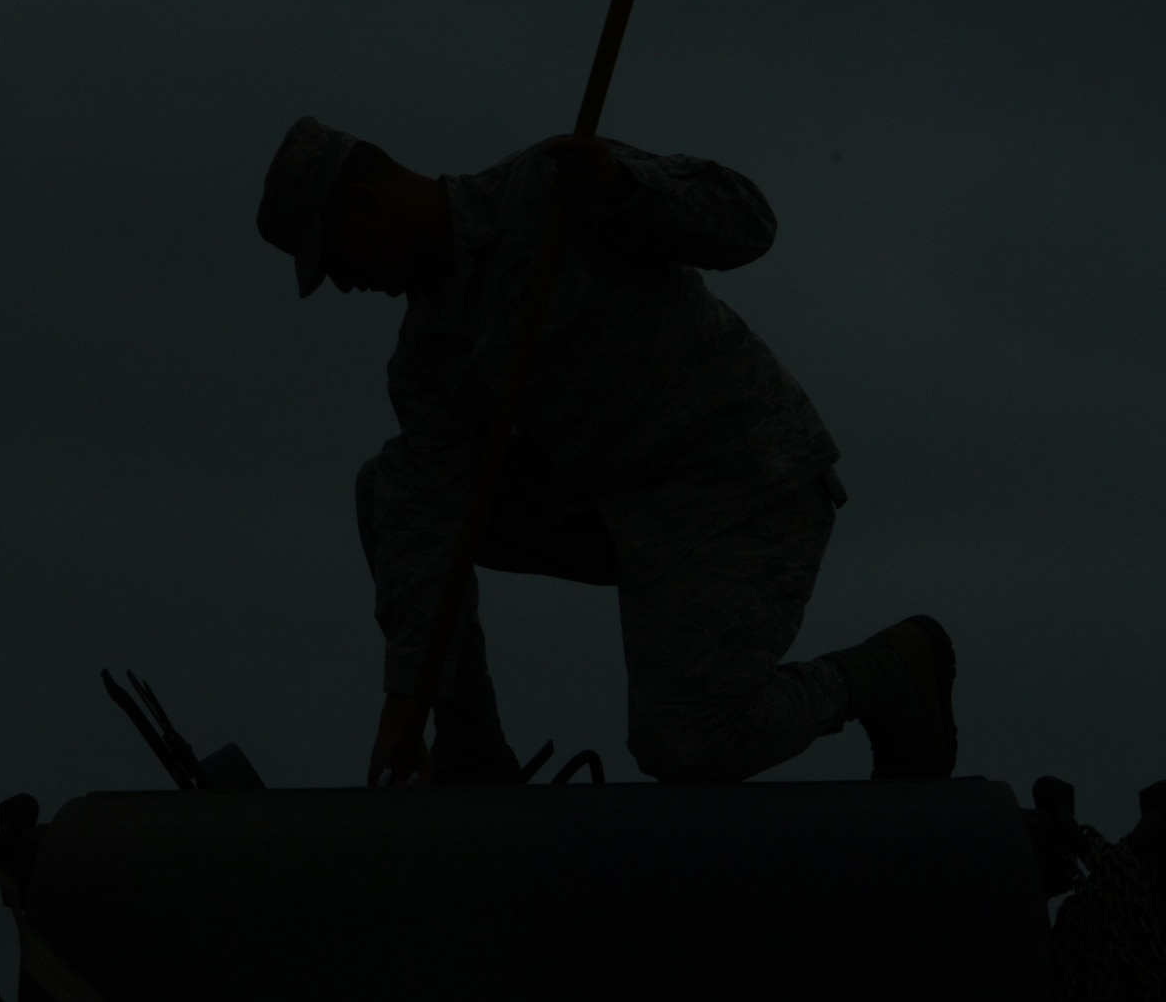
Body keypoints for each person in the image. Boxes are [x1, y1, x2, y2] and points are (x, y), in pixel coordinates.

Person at [255, 117, 958, 786]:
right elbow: (421, 528)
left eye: (337, 258)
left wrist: (628, 189)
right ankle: (470, 750)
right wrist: (406, 700)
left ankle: (889, 671)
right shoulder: (426, 359)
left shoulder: (549, 190)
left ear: (368, 205)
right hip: (620, 519)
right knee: (392, 492)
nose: (347, 284)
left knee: (688, 741)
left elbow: (748, 221)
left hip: (741, 491)